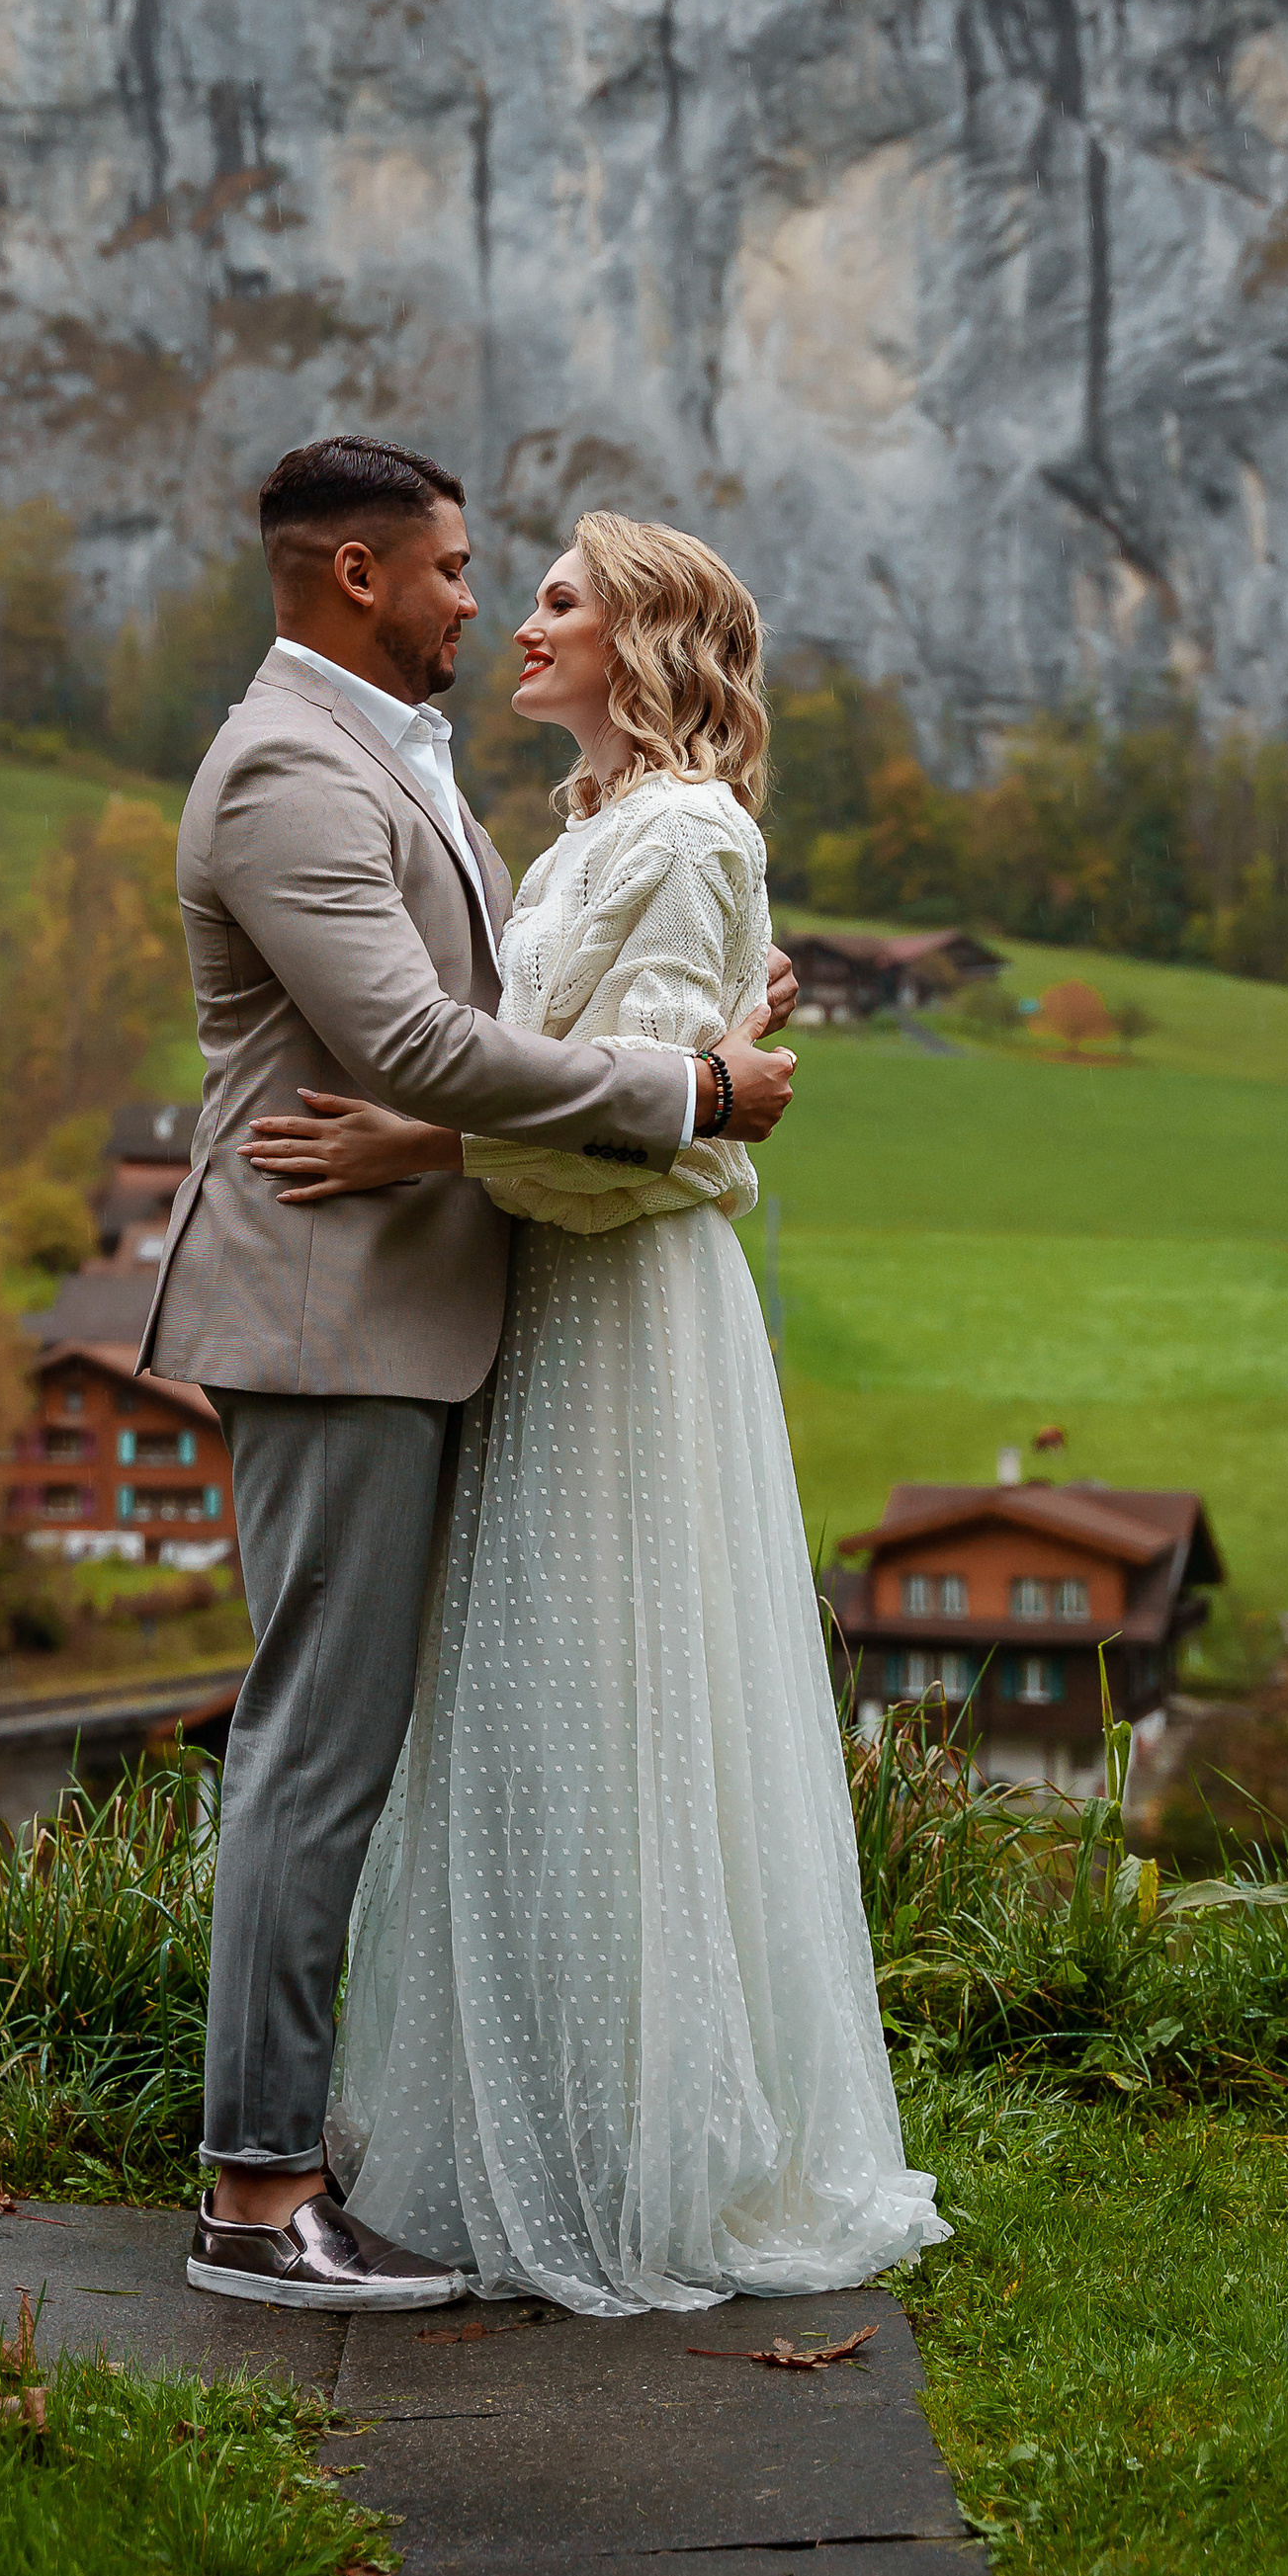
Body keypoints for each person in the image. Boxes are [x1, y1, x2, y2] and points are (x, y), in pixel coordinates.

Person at [246, 514, 945, 2315]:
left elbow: (645, 1160)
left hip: (618, 1319)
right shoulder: (579, 840)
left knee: (624, 1717)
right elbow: (635, 1078)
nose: (515, 619)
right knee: (528, 1729)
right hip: (535, 1318)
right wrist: (685, 1067)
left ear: (645, 642)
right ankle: (527, 2130)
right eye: (512, 586)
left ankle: (644, 2155)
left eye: (556, 596)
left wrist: (433, 1138)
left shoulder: (690, 833)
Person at [140, 438, 800, 2314]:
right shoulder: (288, 765)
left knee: (349, 1751)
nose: (477, 601)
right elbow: (420, 1042)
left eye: (524, 585)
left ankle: (335, 2161)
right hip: (333, 1314)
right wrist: (689, 1092)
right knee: (315, 1754)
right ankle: (258, 2206)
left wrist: (700, 1036)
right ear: (356, 574)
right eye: (450, 569)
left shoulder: (408, 767)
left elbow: (514, 1032)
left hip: (417, 1307)